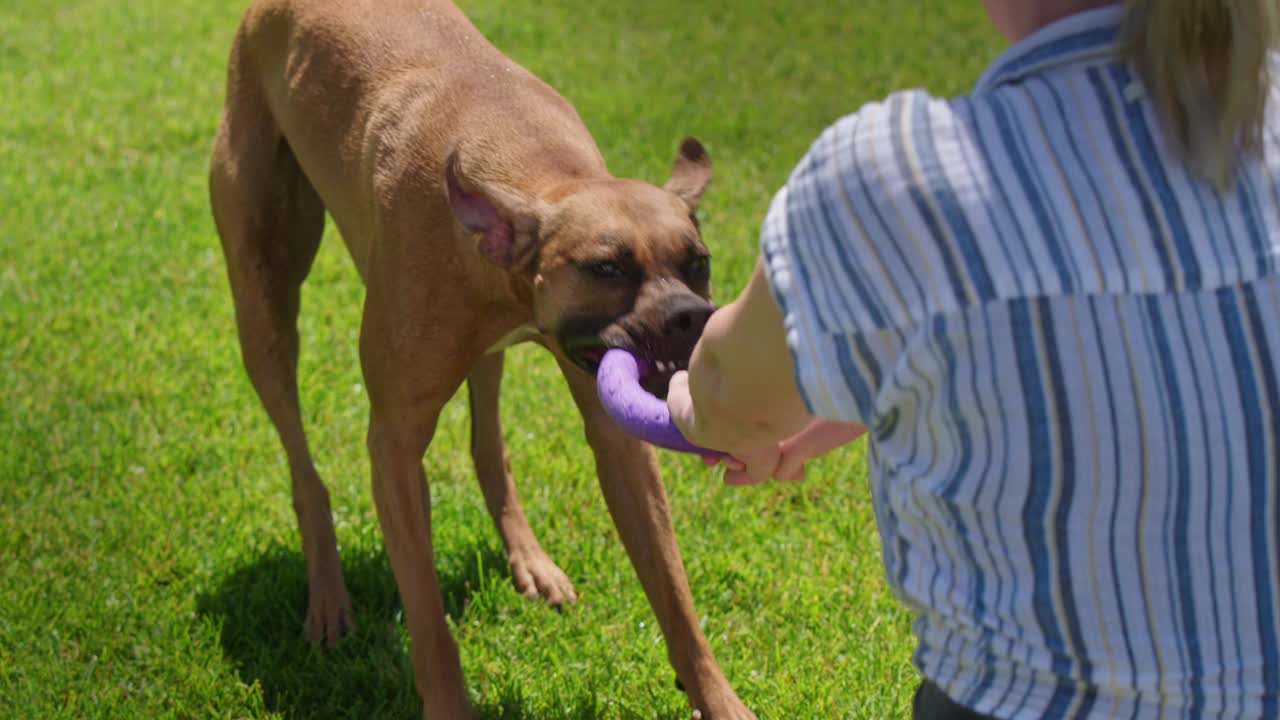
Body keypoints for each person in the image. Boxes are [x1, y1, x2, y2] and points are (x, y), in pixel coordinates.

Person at [666, 0, 1280, 717]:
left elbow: (729, 397)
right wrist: (844, 403)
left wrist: (689, 399)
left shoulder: (900, 177)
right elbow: (1156, 342)